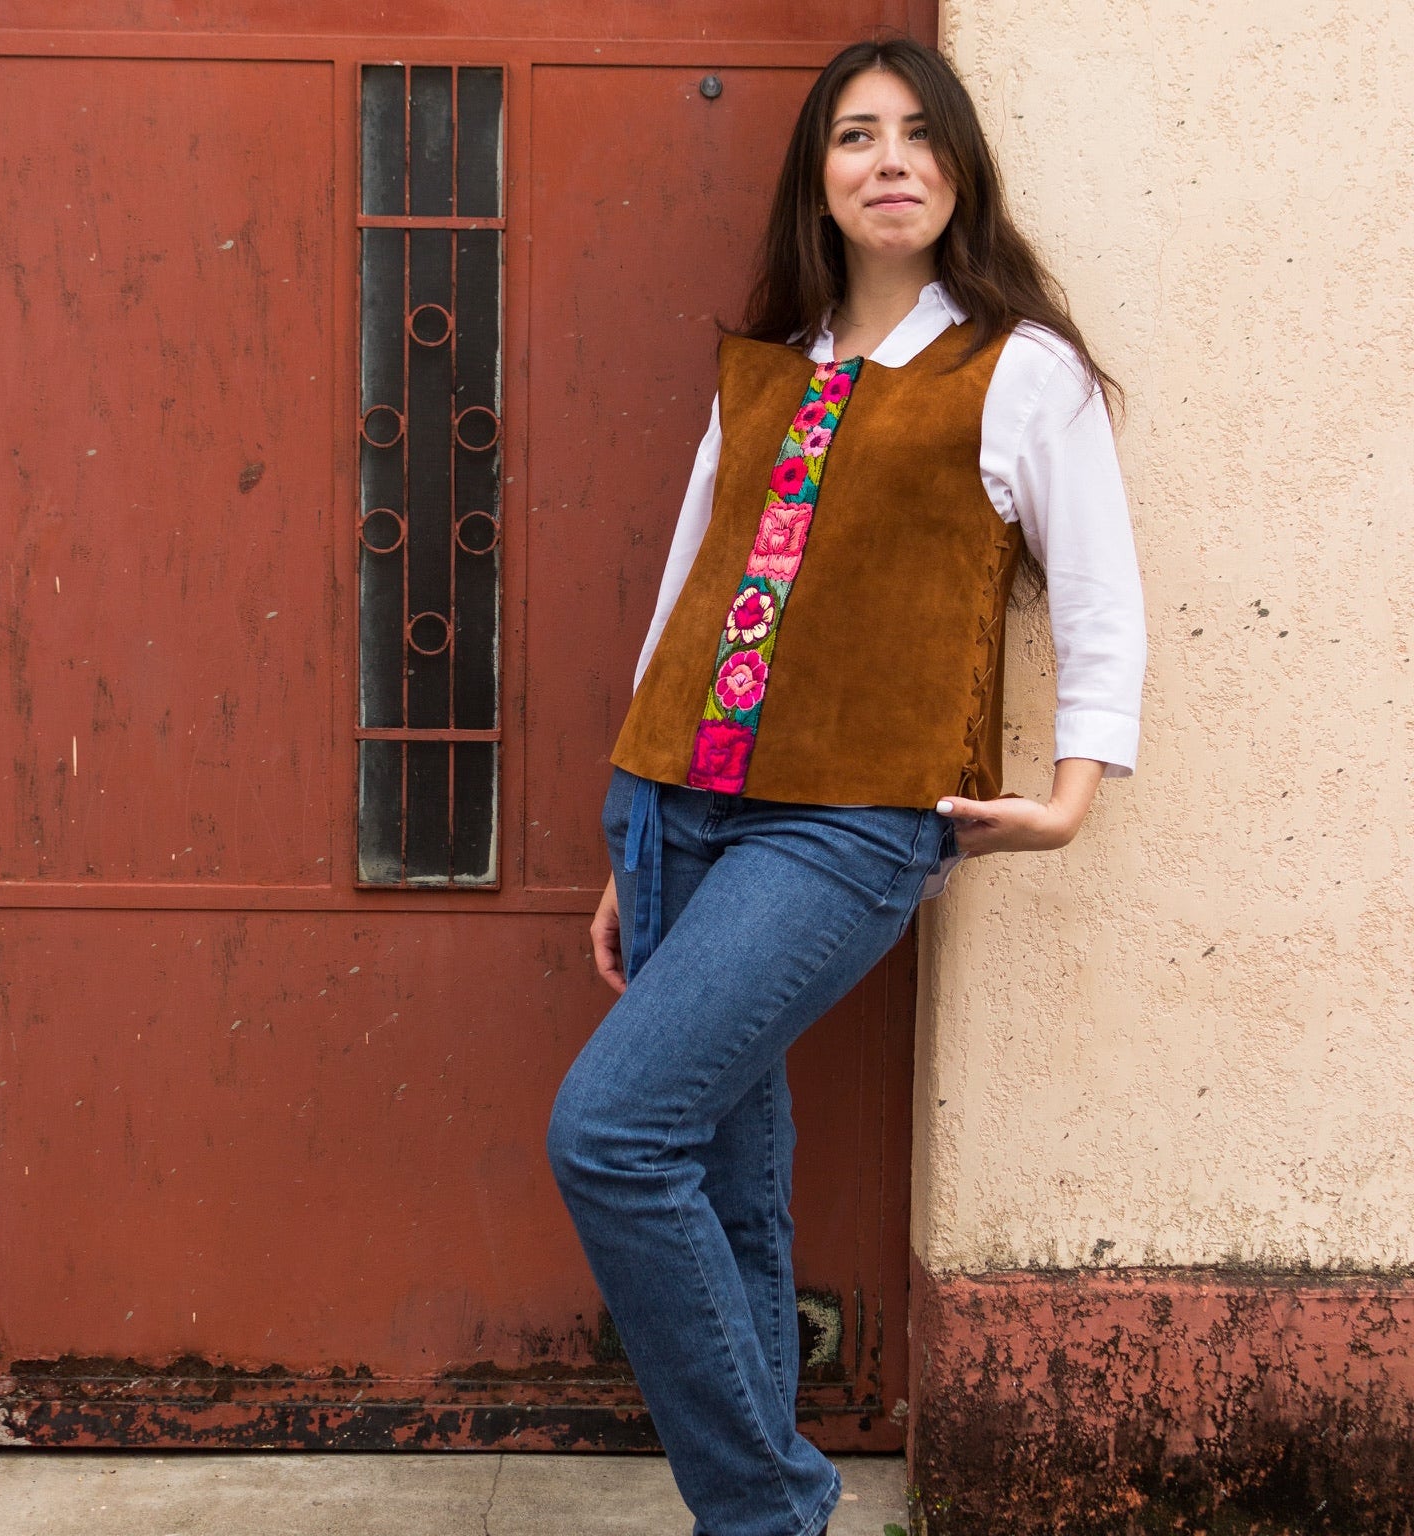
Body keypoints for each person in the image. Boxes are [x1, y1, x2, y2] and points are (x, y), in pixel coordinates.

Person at [546, 35, 1145, 1536]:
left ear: (959, 172)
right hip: (679, 802)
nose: (890, 159)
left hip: (850, 823)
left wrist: (1073, 790)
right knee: (728, 1190)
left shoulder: (1019, 371)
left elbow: (1098, 598)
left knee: (612, 1137)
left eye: (919, 135)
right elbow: (692, 588)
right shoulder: (772, 368)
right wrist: (632, 834)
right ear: (817, 179)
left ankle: (767, 1511)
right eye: (856, 136)